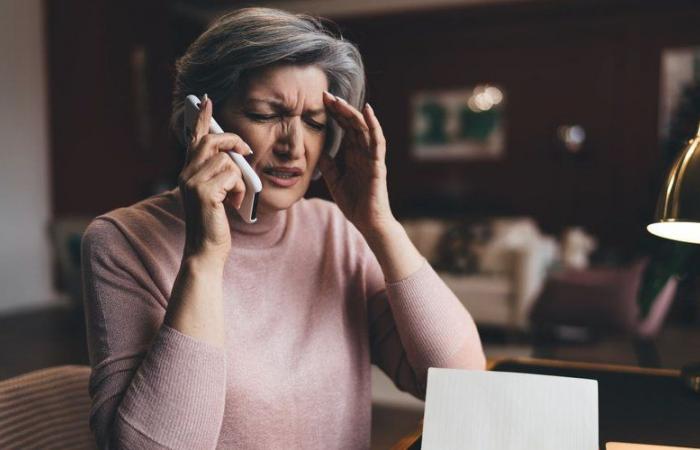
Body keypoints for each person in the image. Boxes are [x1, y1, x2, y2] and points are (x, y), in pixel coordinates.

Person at [81, 7, 485, 449]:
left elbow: (462, 383)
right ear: (202, 119)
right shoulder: (121, 242)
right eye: (265, 114)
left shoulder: (334, 231)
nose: (294, 145)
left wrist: (380, 226)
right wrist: (204, 258)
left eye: (313, 122)